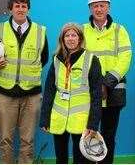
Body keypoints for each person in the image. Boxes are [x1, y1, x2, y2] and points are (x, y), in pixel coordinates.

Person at [0, 0, 48, 164]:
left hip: (31, 95)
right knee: (5, 140)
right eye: (17, 6)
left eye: (23, 6)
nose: (20, 9)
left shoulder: (40, 32)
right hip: (5, 94)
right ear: (10, 9)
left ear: (28, 9)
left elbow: (44, 58)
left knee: (27, 141)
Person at [40, 23, 102, 163]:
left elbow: (96, 94)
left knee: (81, 159)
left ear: (80, 39)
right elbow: (49, 90)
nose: (70, 38)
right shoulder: (56, 59)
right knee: (60, 158)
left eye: (74, 35)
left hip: (81, 120)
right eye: (67, 35)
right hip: (59, 118)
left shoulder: (91, 59)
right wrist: (45, 117)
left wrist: (93, 123)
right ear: (62, 39)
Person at [82, 0, 132, 163]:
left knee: (109, 136)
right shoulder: (83, 31)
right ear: (90, 9)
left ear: (108, 8)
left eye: (102, 5)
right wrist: (96, 84)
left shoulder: (120, 30)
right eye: (95, 6)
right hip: (89, 92)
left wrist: (107, 83)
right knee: (89, 134)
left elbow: (125, 58)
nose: (99, 9)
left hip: (114, 92)